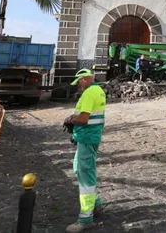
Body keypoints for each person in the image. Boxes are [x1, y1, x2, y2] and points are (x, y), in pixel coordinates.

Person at [64, 69, 107, 232]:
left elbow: (83, 118)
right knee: (78, 169)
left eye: (79, 82)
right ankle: (96, 203)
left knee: (85, 174)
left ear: (84, 80)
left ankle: (85, 217)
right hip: (90, 136)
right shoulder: (99, 90)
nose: (79, 86)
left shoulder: (89, 93)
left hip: (87, 137)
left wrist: (71, 119)